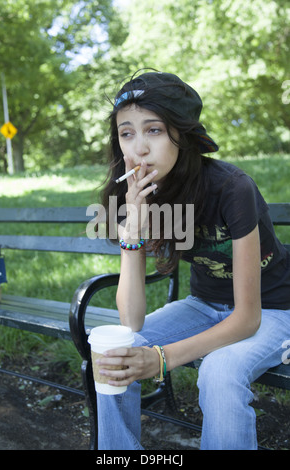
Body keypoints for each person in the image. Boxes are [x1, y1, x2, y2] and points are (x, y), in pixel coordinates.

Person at [96, 71, 290, 450]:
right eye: (126, 133)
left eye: (153, 130)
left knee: (219, 370)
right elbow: (131, 321)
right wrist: (131, 227)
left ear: (181, 136)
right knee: (116, 352)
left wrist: (161, 359)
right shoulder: (143, 196)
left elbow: (247, 319)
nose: (138, 149)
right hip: (203, 305)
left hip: (274, 309)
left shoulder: (232, 188)